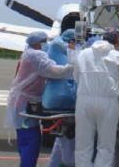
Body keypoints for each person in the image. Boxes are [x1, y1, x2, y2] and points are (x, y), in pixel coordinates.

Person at [6, 30, 74, 167]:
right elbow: (53, 71)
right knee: (30, 140)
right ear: (37, 43)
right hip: (24, 103)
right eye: (44, 42)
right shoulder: (36, 56)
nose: (46, 44)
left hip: (24, 101)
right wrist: (73, 66)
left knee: (27, 140)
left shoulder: (30, 53)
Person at [75, 29, 119, 167]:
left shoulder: (83, 54)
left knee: (83, 145)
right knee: (105, 146)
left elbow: (76, 78)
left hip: (84, 100)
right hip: (108, 102)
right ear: (116, 41)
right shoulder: (118, 57)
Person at [48, 29, 79, 167]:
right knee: (68, 139)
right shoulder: (67, 51)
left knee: (61, 139)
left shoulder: (53, 47)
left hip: (54, 100)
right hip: (67, 101)